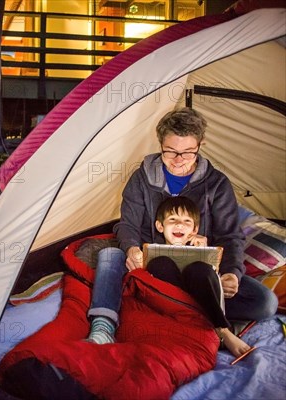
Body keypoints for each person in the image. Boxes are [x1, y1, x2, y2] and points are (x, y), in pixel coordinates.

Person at [85, 107, 278, 347]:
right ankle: (103, 326)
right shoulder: (141, 178)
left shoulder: (217, 184)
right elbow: (127, 225)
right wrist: (132, 249)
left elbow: (230, 235)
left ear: (200, 145)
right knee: (109, 255)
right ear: (160, 144)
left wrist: (231, 273)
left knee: (265, 303)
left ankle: (179, 308)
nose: (179, 160)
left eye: (188, 152)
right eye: (171, 151)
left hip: (199, 274)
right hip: (151, 268)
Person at [146, 196, 250, 356]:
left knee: (200, 269)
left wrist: (205, 254)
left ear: (195, 230)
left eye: (187, 221)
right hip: (175, 311)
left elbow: (214, 283)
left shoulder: (202, 247)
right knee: (160, 264)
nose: (179, 224)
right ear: (160, 226)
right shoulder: (155, 254)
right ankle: (196, 328)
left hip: (203, 299)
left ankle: (222, 329)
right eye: (172, 219)